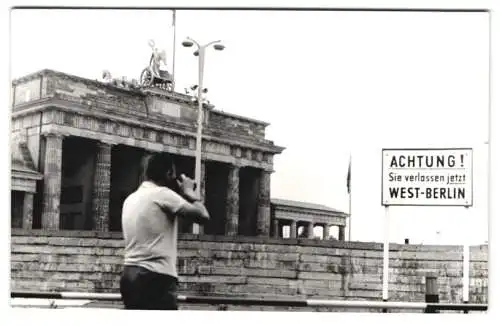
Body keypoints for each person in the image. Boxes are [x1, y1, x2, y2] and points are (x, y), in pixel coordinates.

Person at [119, 152, 210, 310]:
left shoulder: (130, 199)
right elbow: (203, 216)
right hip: (156, 277)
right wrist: (190, 194)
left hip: (129, 275)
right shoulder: (163, 194)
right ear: (169, 174)